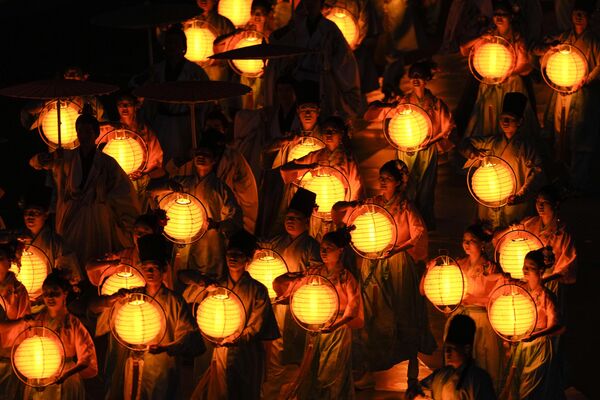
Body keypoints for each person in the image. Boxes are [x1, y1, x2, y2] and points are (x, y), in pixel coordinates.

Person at [332, 160, 436, 391]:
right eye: (380, 178)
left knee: (403, 313)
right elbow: (345, 214)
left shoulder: (406, 207)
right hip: (373, 263)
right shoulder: (373, 205)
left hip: (398, 266)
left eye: (387, 179)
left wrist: (397, 249)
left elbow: (418, 233)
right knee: (371, 312)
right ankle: (367, 367)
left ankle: (411, 375)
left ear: (398, 183)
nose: (381, 182)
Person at [93, 234, 203, 400]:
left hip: (160, 365)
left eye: (154, 268)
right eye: (146, 268)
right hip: (133, 363)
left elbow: (191, 338)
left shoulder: (174, 301)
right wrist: (113, 298)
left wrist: (167, 348)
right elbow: (96, 310)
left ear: (164, 269)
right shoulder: (132, 297)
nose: (150, 272)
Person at [29, 112, 140, 267]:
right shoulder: (66, 157)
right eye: (80, 131)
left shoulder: (107, 162)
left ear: (95, 133)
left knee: (98, 255)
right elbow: (35, 163)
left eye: (88, 131)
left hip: (97, 215)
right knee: (71, 254)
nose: (84, 135)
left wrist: (121, 215)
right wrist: (44, 158)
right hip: (71, 214)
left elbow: (122, 190)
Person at [273, 229, 363, 399]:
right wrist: (285, 290)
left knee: (330, 372)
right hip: (316, 328)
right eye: (322, 247)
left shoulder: (345, 277)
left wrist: (336, 324)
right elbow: (294, 291)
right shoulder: (314, 272)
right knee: (312, 370)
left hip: (337, 330)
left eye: (329, 248)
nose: (323, 251)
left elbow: (353, 305)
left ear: (340, 251)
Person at [365, 60, 455, 230]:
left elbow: (446, 127)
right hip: (405, 149)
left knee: (426, 185)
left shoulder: (435, 104)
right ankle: (407, 221)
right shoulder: (404, 102)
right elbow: (387, 116)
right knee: (406, 182)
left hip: (426, 150)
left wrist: (430, 141)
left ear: (427, 78)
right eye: (412, 75)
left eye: (419, 76)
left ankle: (424, 220)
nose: (416, 79)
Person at [191, 230, 279, 400]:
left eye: (238, 255)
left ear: (248, 259)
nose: (232, 258)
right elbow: (207, 313)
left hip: (247, 353)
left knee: (245, 392)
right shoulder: (217, 286)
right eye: (230, 254)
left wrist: (237, 338)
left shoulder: (257, 289)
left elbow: (256, 325)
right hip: (222, 350)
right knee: (221, 391)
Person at [152, 136, 243, 283]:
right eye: (198, 154)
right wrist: (168, 187)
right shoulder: (182, 183)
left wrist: (217, 225)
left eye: (206, 155)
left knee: (209, 284)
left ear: (214, 160)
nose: (200, 157)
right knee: (182, 280)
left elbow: (235, 219)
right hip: (183, 242)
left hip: (209, 246)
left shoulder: (221, 189)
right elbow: (152, 192)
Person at [533, 0, 600, 193]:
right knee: (560, 134)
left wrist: (586, 79)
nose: (578, 17)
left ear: (589, 18)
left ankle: (579, 181)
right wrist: (549, 53)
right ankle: (560, 177)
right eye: (575, 13)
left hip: (583, 95)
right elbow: (545, 58)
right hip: (562, 94)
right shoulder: (563, 37)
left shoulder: (594, 41)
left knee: (580, 136)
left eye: (582, 14)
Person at [261, 188, 322, 399]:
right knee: (275, 351)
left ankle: (294, 393)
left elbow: (316, 274)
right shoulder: (276, 242)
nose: (291, 221)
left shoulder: (312, 246)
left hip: (299, 307)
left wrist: (295, 280)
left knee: (296, 352)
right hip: (276, 306)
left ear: (306, 221)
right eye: (288, 217)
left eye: (296, 218)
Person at [429, 224, 505, 392]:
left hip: (480, 321)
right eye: (465, 241)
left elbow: (498, 297)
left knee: (480, 360)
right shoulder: (459, 264)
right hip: (460, 317)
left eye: (472, 241)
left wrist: (474, 299)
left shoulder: (490, 268)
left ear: (482, 244)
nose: (467, 244)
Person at [0, 270, 98, 400]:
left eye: (55, 293)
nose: (50, 297)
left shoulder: (72, 323)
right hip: (38, 375)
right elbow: (24, 347)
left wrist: (66, 374)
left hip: (65, 379)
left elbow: (86, 357)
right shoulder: (36, 320)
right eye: (46, 294)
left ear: (65, 293)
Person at [459, 92, 545, 229]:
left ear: (520, 121)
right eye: (503, 118)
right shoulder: (491, 142)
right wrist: (473, 153)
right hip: (490, 197)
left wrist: (520, 195)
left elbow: (537, 173)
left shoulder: (527, 146)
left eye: (509, 119)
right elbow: (465, 143)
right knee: (489, 231)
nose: (505, 122)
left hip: (513, 201)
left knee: (513, 233)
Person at [266, 0, 363, 119]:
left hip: (320, 82)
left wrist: (328, 62)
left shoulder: (330, 29)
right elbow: (277, 41)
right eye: (307, 2)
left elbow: (343, 58)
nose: (309, 5)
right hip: (299, 83)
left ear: (321, 4)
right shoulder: (298, 28)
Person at [131, 26, 210, 165]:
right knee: (164, 159)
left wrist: (200, 121)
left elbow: (205, 101)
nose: (172, 47)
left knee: (187, 160)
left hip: (186, 122)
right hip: (163, 122)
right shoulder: (156, 70)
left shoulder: (195, 72)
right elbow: (135, 85)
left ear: (184, 47)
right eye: (169, 43)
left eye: (176, 43)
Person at [460, 1, 537, 138]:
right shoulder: (489, 35)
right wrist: (481, 38)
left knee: (509, 112)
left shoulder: (517, 38)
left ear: (511, 17)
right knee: (488, 112)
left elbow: (525, 65)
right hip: (490, 81)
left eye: (503, 15)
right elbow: (464, 49)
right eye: (496, 14)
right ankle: (490, 140)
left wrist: (507, 73)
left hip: (511, 83)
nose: (499, 18)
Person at [281, 116, 364, 240]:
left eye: (333, 131)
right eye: (326, 131)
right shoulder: (316, 155)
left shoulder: (349, 160)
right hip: (317, 211)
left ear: (341, 134)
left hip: (337, 214)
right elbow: (288, 169)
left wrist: (344, 216)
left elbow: (355, 188)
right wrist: (308, 167)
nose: (328, 134)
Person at [500, 249, 564, 400]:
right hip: (522, 345)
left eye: (530, 267)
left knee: (531, 390)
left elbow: (557, 325)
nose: (524, 270)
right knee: (515, 386)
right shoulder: (522, 291)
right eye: (524, 266)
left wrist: (535, 335)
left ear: (541, 270)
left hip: (539, 348)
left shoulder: (546, 296)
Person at [98, 91, 165, 212]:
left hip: (138, 181)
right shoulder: (110, 129)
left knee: (136, 212)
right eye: (120, 104)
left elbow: (157, 162)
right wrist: (107, 123)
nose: (124, 107)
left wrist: (143, 173)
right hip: (115, 180)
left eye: (127, 104)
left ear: (136, 106)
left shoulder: (145, 131)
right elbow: (90, 132)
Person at [406, 314, 497, 400]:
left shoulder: (479, 379)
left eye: (452, 348)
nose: (447, 352)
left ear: (466, 349)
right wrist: (417, 395)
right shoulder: (440, 375)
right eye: (446, 348)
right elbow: (417, 389)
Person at [18, 186, 81, 282]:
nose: (30, 216)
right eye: (27, 212)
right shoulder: (18, 240)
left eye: (35, 212)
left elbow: (70, 274)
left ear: (46, 214)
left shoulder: (56, 243)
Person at [0, 243, 30, 400]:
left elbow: (25, 323)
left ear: (8, 262)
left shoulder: (18, 290)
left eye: (0, 258)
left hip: (11, 354)